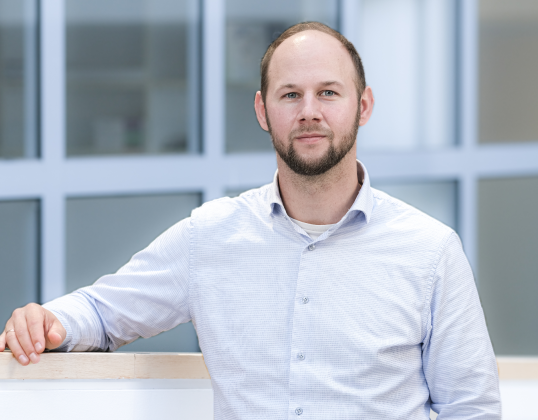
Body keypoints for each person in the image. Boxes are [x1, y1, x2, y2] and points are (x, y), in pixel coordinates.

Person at [0, 22, 501, 419]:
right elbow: (101, 313)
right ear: (263, 111)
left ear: (363, 106)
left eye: (329, 93)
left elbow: (472, 409)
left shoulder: (429, 250)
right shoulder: (209, 236)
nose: (309, 112)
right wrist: (47, 321)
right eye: (290, 95)